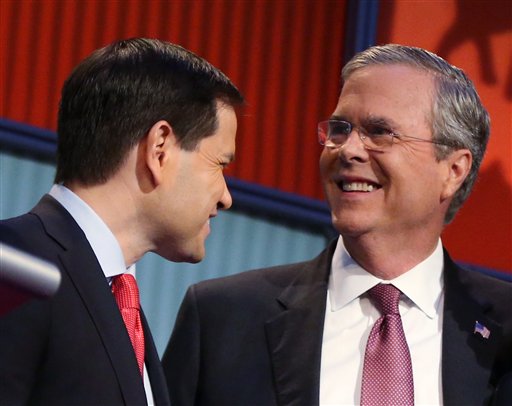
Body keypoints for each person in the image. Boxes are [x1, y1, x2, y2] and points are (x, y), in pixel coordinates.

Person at [161, 44, 512, 406]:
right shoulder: (223, 319)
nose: (348, 150)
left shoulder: (505, 331)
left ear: (453, 170)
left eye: (379, 132)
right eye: (340, 129)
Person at [0, 38, 243, 405]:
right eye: (219, 164)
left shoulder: (120, 304)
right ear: (159, 149)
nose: (226, 197)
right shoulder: (15, 265)